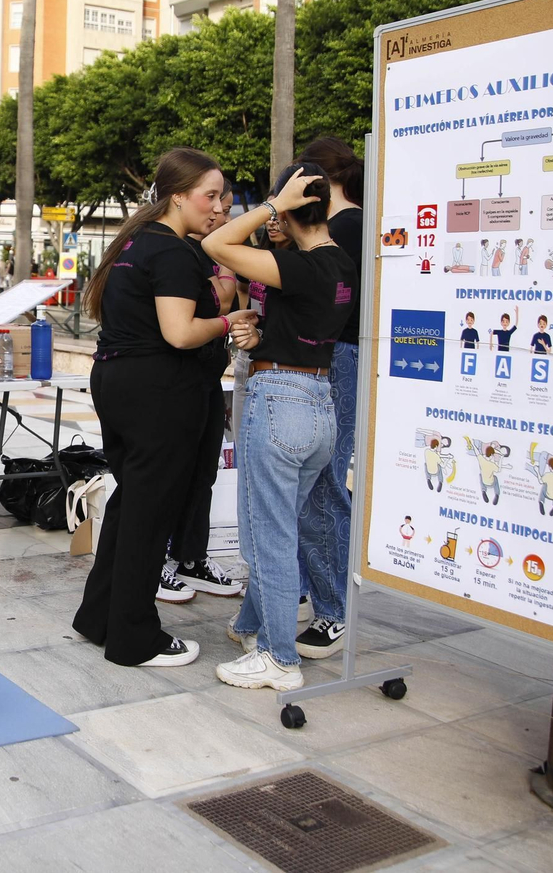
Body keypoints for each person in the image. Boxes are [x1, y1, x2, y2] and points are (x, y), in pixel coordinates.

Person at [71, 149, 257, 668]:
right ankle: (134, 637)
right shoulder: (170, 252)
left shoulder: (137, 241)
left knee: (133, 508)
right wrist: (230, 321)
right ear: (178, 196)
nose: (218, 206)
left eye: (222, 195)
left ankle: (99, 616)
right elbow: (180, 333)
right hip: (156, 393)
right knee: (148, 518)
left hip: (123, 383)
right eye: (210, 195)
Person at [202, 161, 356, 690]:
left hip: (281, 404)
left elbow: (217, 246)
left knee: (267, 537)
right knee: (281, 526)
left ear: (291, 209)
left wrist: (271, 206)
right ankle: (251, 625)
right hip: (319, 403)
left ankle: (278, 658)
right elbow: (301, 328)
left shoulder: (302, 266)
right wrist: (262, 339)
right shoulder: (340, 264)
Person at [290, 138, 365, 659]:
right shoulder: (355, 225)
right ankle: (311, 590)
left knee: (321, 485)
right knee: (315, 481)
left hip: (335, 357)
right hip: (335, 358)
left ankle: (333, 608)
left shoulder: (341, 229)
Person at [161, 175, 245, 603]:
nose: (219, 214)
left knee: (203, 474)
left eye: (227, 208)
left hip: (208, 375)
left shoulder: (206, 246)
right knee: (168, 475)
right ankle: (157, 560)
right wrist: (227, 261)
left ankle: (191, 557)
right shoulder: (184, 249)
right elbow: (225, 300)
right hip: (174, 380)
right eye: (213, 202)